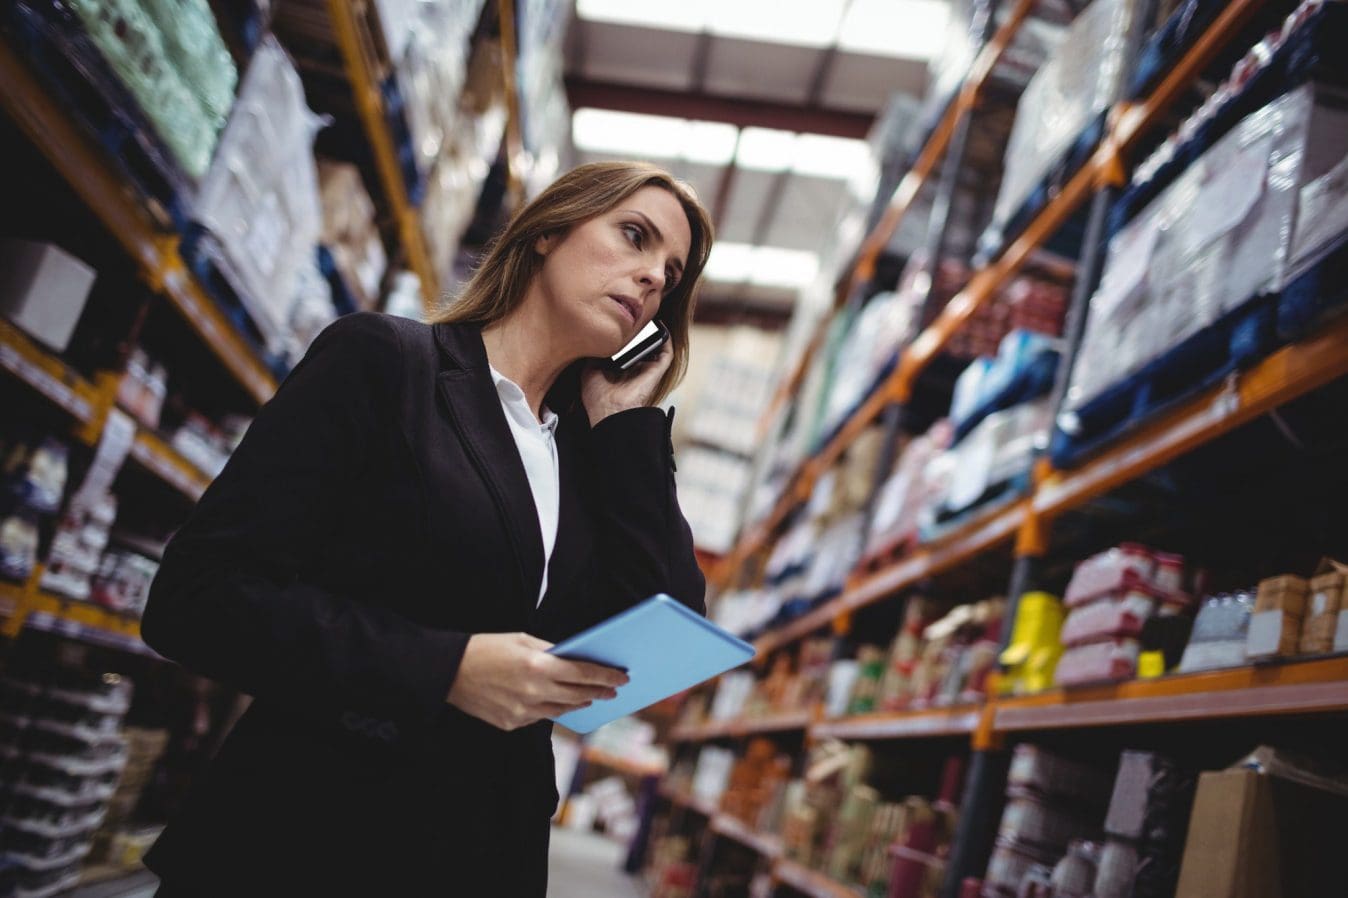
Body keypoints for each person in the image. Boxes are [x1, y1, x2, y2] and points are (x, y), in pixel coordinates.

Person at [140, 161, 713, 896]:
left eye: (670, 275)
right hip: (305, 841)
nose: (650, 280)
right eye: (634, 237)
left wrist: (628, 423)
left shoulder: (592, 459)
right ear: (547, 232)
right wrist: (444, 668)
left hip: (479, 859)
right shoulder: (387, 364)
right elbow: (196, 598)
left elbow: (665, 618)